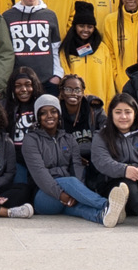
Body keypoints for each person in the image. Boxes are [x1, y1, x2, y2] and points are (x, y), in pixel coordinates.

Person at [86, 91, 138, 229]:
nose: (123, 116)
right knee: (126, 180)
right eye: (118, 112)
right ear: (111, 114)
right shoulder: (101, 136)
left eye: (128, 112)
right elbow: (102, 161)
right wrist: (124, 170)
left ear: (135, 113)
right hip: (113, 188)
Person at [17, 93, 102, 223]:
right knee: (70, 182)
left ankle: (102, 216)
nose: (49, 116)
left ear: (59, 114)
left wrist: (72, 195)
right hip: (43, 196)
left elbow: (77, 167)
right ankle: (106, 204)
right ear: (38, 117)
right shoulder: (31, 140)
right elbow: (40, 174)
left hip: (67, 196)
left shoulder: (69, 139)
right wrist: (61, 195)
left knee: (77, 206)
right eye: (43, 113)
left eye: (53, 111)